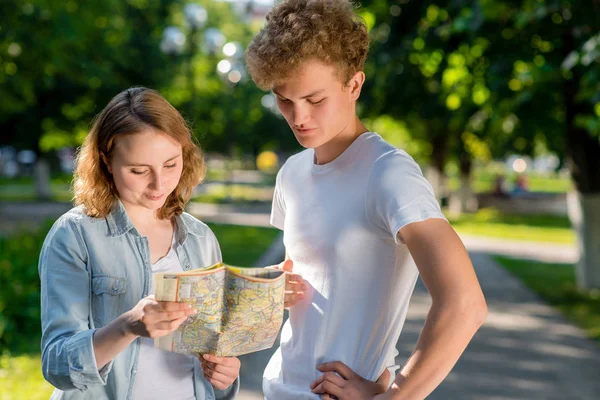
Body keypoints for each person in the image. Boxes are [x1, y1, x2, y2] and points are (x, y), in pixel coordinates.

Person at [245, 1, 488, 399]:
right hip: (276, 388)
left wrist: (394, 397)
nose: (298, 116)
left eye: (315, 99)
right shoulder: (291, 174)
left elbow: (465, 304)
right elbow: (316, 279)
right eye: (284, 100)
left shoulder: (388, 173)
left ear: (354, 85)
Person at [39, 87, 241, 399]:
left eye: (171, 164)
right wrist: (127, 326)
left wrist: (224, 375)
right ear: (106, 161)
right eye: (138, 170)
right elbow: (57, 364)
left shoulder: (201, 239)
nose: (159, 184)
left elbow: (213, 353)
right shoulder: (75, 235)